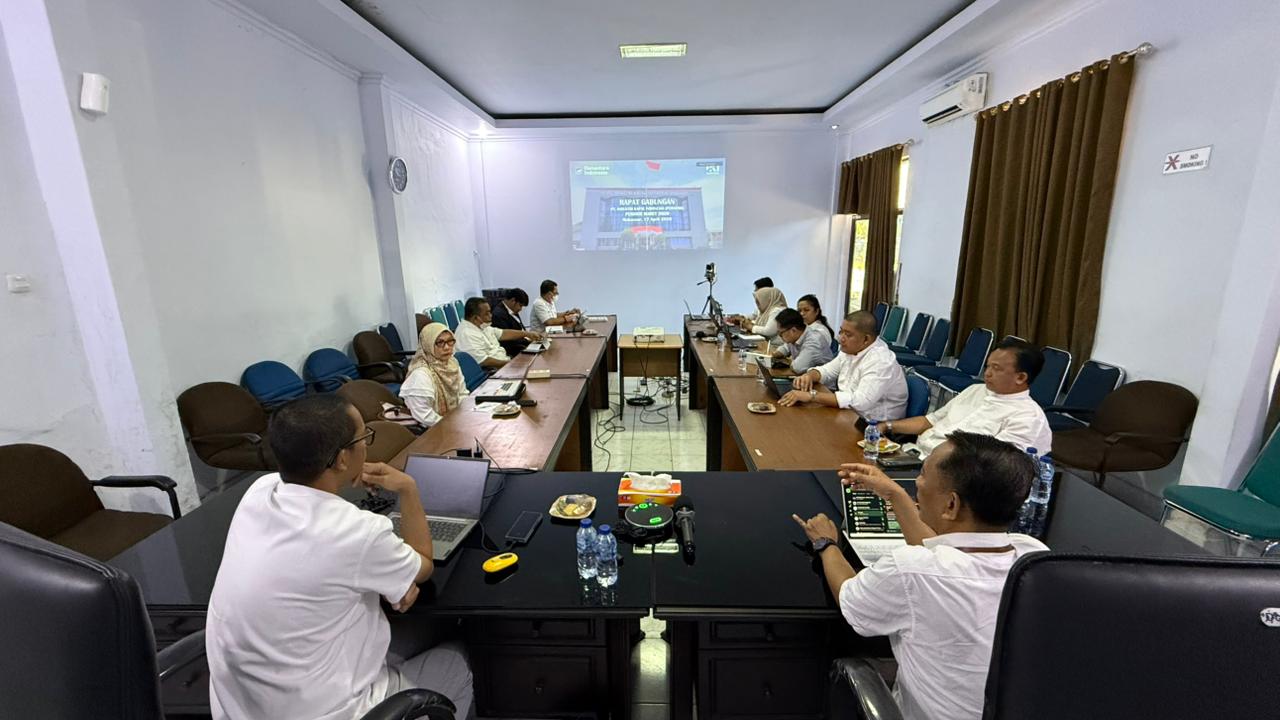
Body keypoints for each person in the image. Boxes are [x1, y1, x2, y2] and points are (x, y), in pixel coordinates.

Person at [206, 394, 473, 720]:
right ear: (342, 460)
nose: (366, 446)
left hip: (245, 705)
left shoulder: (259, 492)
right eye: (363, 438)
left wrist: (380, 578)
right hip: (330, 712)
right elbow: (423, 564)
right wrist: (408, 488)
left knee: (410, 634)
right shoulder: (358, 531)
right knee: (461, 656)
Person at [792, 431, 1048, 720]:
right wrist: (894, 495)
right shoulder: (1034, 559)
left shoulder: (912, 571)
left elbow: (850, 597)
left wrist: (826, 545)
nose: (916, 482)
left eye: (923, 474)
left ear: (950, 505)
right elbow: (942, 549)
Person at [884, 337, 1052, 456]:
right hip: (915, 454)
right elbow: (928, 421)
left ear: (1021, 377)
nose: (987, 373)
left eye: (996, 368)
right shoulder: (975, 390)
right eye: (987, 366)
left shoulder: (1028, 418)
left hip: (950, 477)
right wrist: (886, 426)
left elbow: (991, 467)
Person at [780, 310, 907, 420]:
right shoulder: (850, 350)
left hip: (873, 426)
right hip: (849, 414)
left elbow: (860, 402)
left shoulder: (880, 361)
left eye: (848, 334)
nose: (841, 338)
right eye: (841, 332)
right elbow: (827, 371)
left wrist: (812, 396)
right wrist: (809, 376)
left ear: (866, 339)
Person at [398, 322, 468, 427]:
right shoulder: (420, 375)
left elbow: (462, 393)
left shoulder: (452, 363)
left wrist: (465, 415)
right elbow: (424, 415)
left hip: (455, 420)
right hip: (432, 428)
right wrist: (451, 425)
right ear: (428, 344)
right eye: (440, 343)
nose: (447, 347)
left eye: (450, 341)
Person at [454, 296, 542, 368]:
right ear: (475, 318)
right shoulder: (467, 334)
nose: (491, 315)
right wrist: (512, 364)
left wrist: (528, 334)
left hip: (505, 362)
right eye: (487, 313)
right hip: (495, 370)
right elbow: (484, 361)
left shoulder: (481, 325)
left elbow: (503, 333)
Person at [771, 308, 835, 374]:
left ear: (793, 330)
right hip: (805, 378)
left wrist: (786, 362)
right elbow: (785, 348)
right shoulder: (796, 336)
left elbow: (798, 368)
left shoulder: (814, 341)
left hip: (821, 383)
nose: (780, 336)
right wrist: (778, 353)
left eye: (781, 333)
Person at [492, 288, 532, 355]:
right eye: (520, 305)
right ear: (513, 301)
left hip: (523, 344)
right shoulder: (498, 314)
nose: (521, 309)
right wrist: (528, 340)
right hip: (513, 351)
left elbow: (520, 328)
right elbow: (507, 341)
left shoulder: (512, 310)